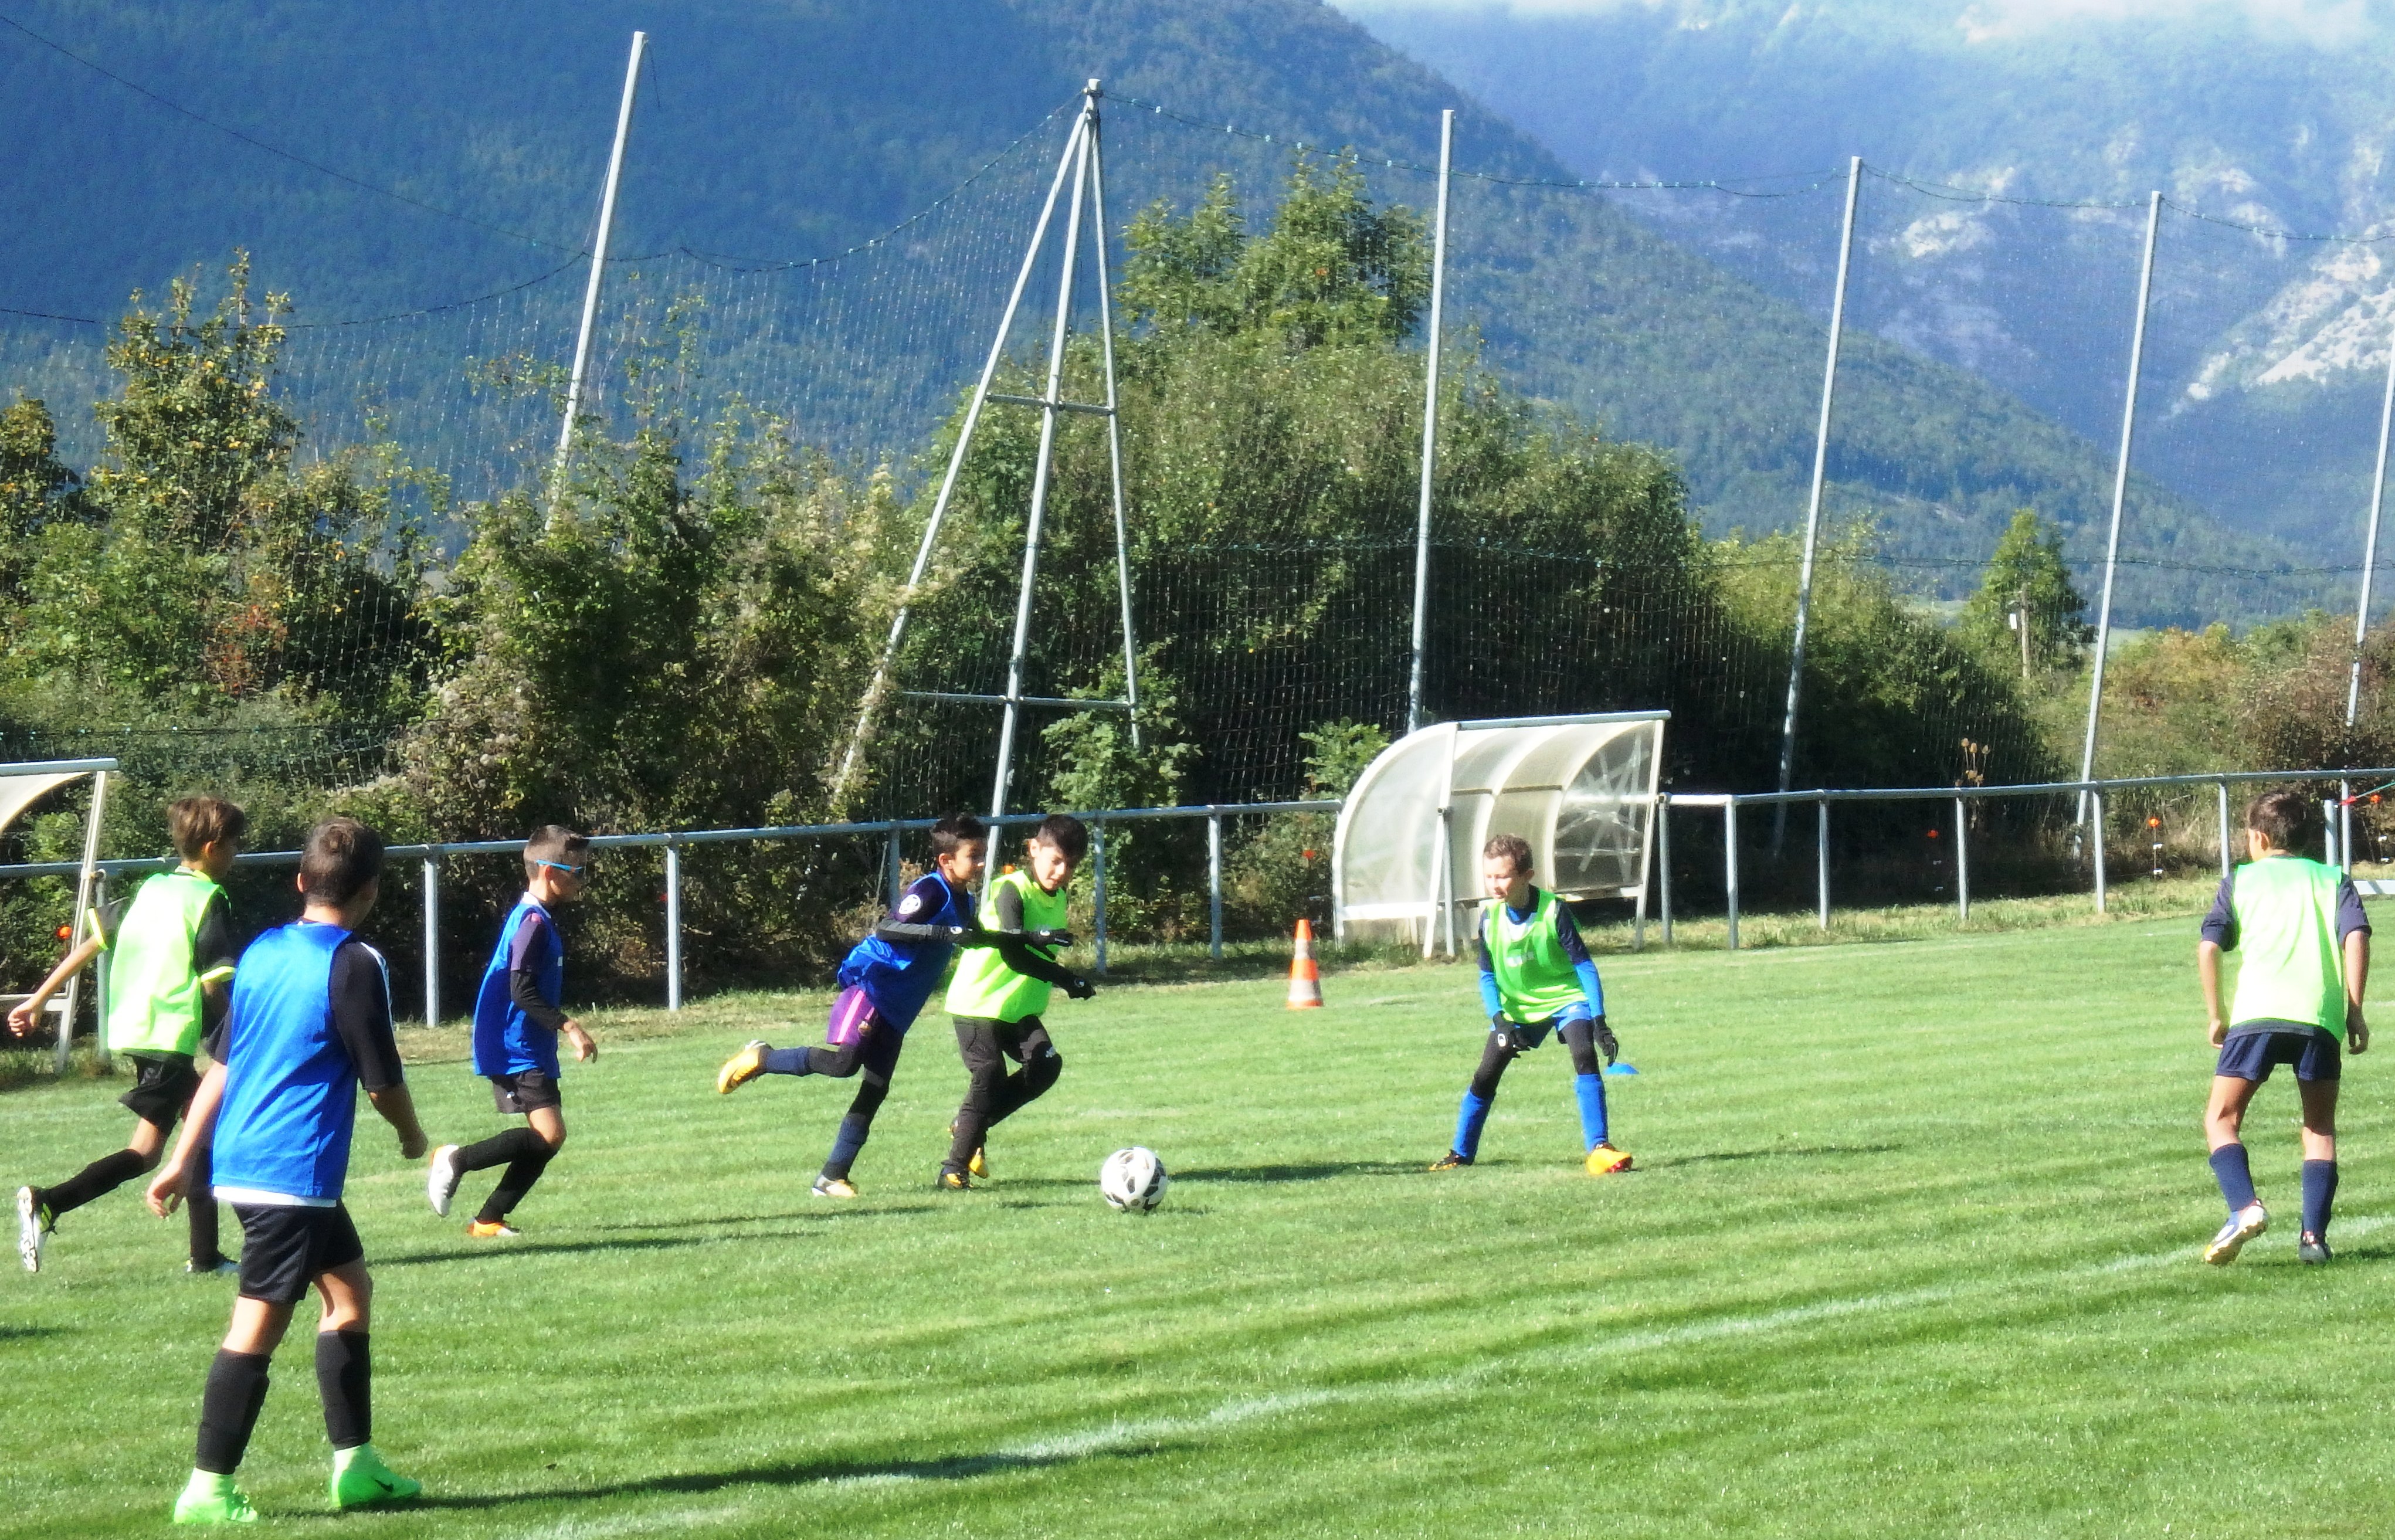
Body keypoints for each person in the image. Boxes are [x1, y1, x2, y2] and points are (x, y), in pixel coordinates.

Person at [143, 817, 429, 1524]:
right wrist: (412, 1135)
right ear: (370, 891)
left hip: (252, 1162)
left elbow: (223, 1064)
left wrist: (182, 1158)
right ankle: (207, 1489)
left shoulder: (265, 949)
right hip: (291, 1173)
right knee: (255, 1328)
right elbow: (382, 1081)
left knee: (350, 1293)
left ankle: (357, 1466)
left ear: (301, 881)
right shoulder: (355, 962)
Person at [714, 813, 1017, 1198]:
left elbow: (979, 938)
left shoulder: (963, 900)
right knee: (844, 1064)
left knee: (875, 1089)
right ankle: (762, 1058)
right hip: (872, 988)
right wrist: (941, 932)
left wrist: (1030, 939)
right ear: (946, 860)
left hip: (897, 1012)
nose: (981, 863)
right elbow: (889, 928)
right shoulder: (930, 890)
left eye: (982, 855)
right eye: (974, 856)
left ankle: (831, 1177)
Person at [11, 795, 247, 1275]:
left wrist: (37, 999)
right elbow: (213, 984)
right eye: (235, 845)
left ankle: (206, 1257)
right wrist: (244, 1035)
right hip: (168, 1034)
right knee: (157, 1149)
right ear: (213, 847)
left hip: (136, 1029)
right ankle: (47, 1202)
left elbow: (90, 945)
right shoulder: (209, 899)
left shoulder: (152, 889)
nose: (237, 854)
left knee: (198, 1134)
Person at [2196, 786, 2369, 1266]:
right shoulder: (2332, 879)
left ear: (2258, 837)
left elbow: (2209, 948)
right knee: (2320, 1127)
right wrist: (2354, 1010)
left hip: (2257, 1013)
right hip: (2319, 1016)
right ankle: (2313, 1239)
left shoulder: (2241, 880)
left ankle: (2245, 1207)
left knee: (2221, 1119)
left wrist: (2216, 1014)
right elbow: (2355, 936)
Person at [425, 826, 597, 1238]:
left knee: (548, 1137)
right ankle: (456, 1160)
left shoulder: (537, 918)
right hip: (516, 1045)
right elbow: (521, 991)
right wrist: (570, 1026)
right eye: (577, 871)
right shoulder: (532, 923)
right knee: (550, 1135)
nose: (582, 880)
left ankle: (488, 1220)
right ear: (549, 872)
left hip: (525, 1043)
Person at [1429, 833, 1632, 1176]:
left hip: (1566, 999)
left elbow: (1584, 966)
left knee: (1585, 1055)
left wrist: (1599, 1021)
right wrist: (1500, 1020)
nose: (1495, 885)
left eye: (1503, 876)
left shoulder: (1554, 910)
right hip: (1517, 1010)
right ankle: (1460, 1153)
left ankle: (1600, 1148)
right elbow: (1487, 976)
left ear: (1527, 876)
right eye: (1489, 876)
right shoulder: (1490, 919)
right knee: (1485, 1076)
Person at [937, 814, 1096, 1190]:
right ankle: (952, 1171)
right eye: (1055, 861)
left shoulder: (1058, 896)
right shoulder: (1010, 889)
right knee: (989, 1074)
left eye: (1070, 866)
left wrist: (1067, 978)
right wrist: (1066, 979)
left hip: (1016, 1008)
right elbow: (1014, 954)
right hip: (979, 1003)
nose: (1061, 872)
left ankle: (970, 1126)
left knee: (1045, 1066)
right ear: (1034, 849)